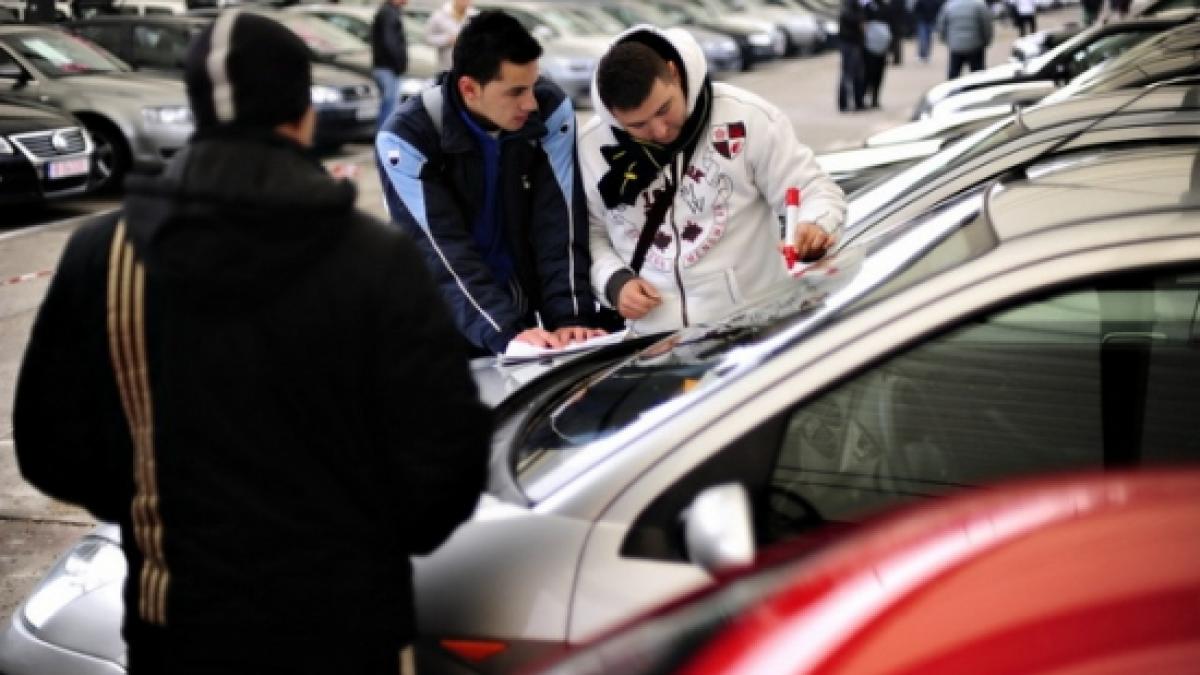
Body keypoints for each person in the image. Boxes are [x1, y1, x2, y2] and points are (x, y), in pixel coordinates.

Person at [13, 11, 490, 675]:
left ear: (199, 108)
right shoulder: (373, 259)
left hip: (181, 623)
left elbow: (51, 448)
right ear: (302, 115)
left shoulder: (107, 256)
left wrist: (151, 507)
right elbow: (448, 457)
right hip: (343, 622)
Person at [580, 26, 847, 335]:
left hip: (753, 325)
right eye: (638, 125)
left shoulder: (745, 118)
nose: (660, 131)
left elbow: (813, 189)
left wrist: (815, 224)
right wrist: (614, 283)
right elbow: (589, 235)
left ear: (674, 73)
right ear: (613, 115)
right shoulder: (592, 146)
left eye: (665, 109)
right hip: (652, 343)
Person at [377, 10, 602, 354]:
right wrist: (504, 332)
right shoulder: (406, 139)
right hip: (443, 322)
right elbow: (442, 253)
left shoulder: (549, 111)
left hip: (519, 311)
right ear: (469, 88)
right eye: (515, 92)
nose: (530, 102)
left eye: (532, 85)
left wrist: (570, 317)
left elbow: (560, 220)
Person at [371, 0, 409, 128]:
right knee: (389, 109)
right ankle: (384, 141)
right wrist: (399, 64)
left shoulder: (390, 11)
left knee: (389, 107)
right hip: (388, 68)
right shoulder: (389, 13)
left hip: (387, 67)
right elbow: (390, 42)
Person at [936, 0, 993, 79]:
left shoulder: (949, 5)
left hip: (956, 45)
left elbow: (941, 24)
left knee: (954, 74)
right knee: (978, 74)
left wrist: (945, 39)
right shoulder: (979, 5)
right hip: (975, 44)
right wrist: (986, 40)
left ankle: (952, 89)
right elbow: (986, 25)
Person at [425, 0, 475, 71]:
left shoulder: (475, 16)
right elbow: (428, 39)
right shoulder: (439, 15)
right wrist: (447, 39)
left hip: (471, 68)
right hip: (447, 67)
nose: (466, 2)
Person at [837, 0, 867, 111]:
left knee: (855, 74)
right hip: (851, 43)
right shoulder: (850, 5)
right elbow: (852, 19)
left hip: (852, 42)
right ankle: (846, 103)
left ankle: (856, 102)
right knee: (849, 74)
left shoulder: (853, 5)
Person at [862, 0, 892, 108]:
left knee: (878, 74)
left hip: (882, 47)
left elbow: (891, 26)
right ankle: (864, 97)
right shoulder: (867, 7)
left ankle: (875, 98)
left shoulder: (885, 7)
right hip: (869, 47)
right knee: (868, 73)